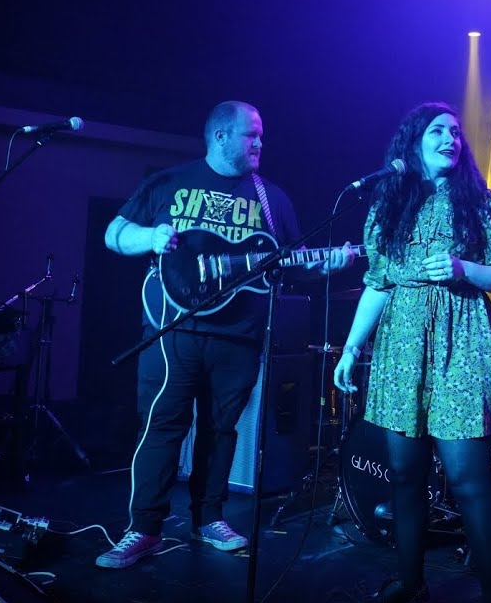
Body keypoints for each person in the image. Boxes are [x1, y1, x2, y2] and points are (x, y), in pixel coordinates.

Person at [96, 101, 355, 569]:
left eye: (261, 135)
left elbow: (288, 264)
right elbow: (114, 233)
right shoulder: (169, 182)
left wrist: (325, 265)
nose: (260, 143)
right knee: (163, 426)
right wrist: (149, 238)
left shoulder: (273, 199)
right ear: (219, 136)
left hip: (239, 336)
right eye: (250, 134)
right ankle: (144, 529)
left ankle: (209, 519)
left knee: (221, 431)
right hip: (175, 328)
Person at [333, 102, 491, 603]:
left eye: (456, 132)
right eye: (438, 130)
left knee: (468, 479)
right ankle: (411, 581)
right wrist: (351, 348)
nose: (450, 138)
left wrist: (465, 269)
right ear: (413, 142)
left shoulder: (480, 203)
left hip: (462, 343)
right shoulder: (388, 204)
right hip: (401, 347)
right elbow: (378, 283)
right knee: (404, 474)